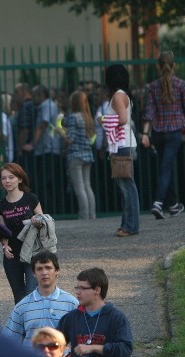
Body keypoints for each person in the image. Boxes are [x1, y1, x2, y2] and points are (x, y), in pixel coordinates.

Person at [141, 51, 185, 219]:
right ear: (174, 66)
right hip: (174, 133)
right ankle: (158, 202)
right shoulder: (181, 85)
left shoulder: (152, 87)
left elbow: (149, 112)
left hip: (157, 133)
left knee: (166, 166)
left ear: (158, 66)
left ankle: (173, 205)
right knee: (166, 167)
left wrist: (144, 133)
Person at [3, 251, 79, 343]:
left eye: (48, 268)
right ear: (34, 273)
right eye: (39, 269)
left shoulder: (72, 304)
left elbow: (81, 339)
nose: (44, 272)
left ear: (57, 271)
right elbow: (8, 341)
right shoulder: (21, 307)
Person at [0, 162, 44, 302]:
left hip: (32, 253)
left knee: (31, 293)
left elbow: (44, 220)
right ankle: (21, 324)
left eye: (11, 177)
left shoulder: (31, 198)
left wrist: (38, 221)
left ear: (20, 179)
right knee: (18, 297)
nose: (7, 181)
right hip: (12, 256)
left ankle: (34, 323)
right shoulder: (0, 206)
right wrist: (4, 246)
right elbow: (2, 231)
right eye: (4, 178)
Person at [105, 64, 141, 238]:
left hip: (121, 144)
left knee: (127, 186)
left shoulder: (118, 96)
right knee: (126, 185)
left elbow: (122, 119)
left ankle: (130, 225)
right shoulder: (124, 95)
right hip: (123, 143)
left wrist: (103, 120)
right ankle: (127, 223)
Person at [24, 86, 63, 208]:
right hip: (49, 147)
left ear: (41, 95)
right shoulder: (49, 105)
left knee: (46, 182)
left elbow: (42, 125)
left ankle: (50, 208)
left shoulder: (47, 106)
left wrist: (32, 144)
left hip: (47, 148)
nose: (33, 98)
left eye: (35, 95)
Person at [62, 91, 97, 220]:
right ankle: (91, 214)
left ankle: (83, 215)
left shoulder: (73, 117)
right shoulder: (87, 117)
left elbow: (70, 138)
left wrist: (60, 132)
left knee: (79, 187)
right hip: (87, 154)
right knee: (87, 186)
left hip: (76, 155)